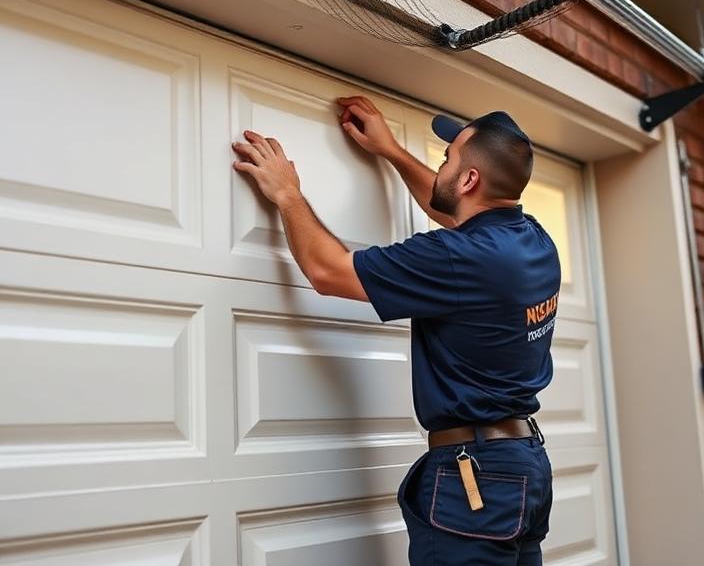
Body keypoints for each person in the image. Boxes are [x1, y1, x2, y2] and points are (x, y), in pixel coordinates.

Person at [231, 94, 560, 565]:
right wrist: (393, 152)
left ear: (469, 179)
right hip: (523, 463)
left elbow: (328, 271)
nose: (441, 166)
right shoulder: (533, 241)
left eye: (448, 160)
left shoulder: (460, 257)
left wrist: (287, 193)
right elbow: (453, 211)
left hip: (478, 475)